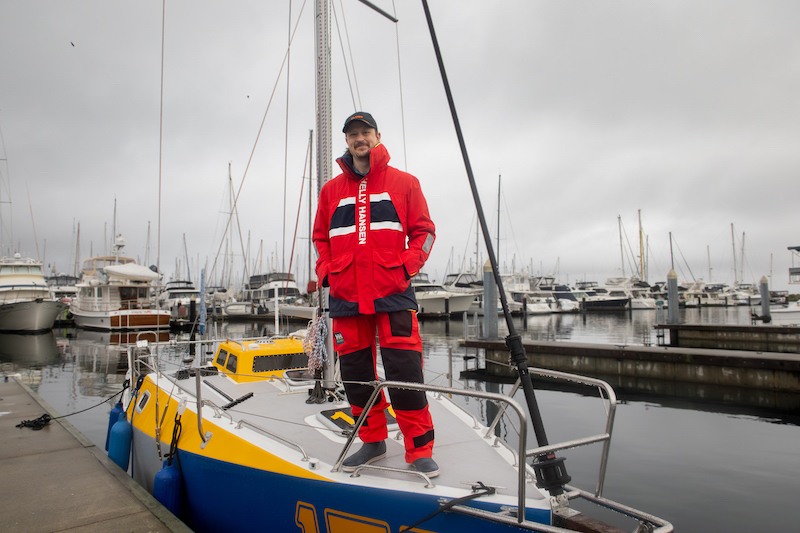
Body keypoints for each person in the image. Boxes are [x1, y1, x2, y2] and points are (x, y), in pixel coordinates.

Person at [312, 111, 438, 476]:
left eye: (365, 132)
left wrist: (405, 268)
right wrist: (326, 272)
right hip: (346, 296)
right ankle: (372, 442)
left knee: (404, 374)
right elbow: (320, 239)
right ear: (347, 140)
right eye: (353, 134)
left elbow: (425, 232)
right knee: (355, 374)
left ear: (377, 136)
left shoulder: (405, 183)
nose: (359, 138)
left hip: (393, 293)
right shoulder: (330, 191)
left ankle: (419, 450)